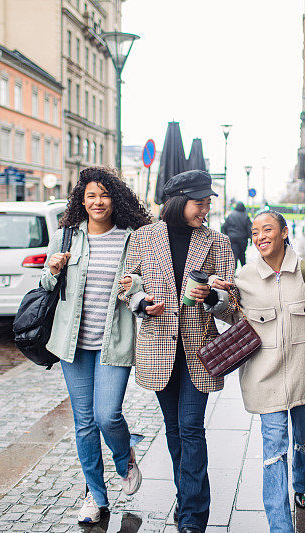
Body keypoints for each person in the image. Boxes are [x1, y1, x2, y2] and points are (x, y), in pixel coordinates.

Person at [118, 169, 237, 533]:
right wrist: (140, 302)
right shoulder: (142, 238)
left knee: (190, 428)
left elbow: (233, 304)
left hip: (200, 349)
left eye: (207, 203)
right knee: (173, 429)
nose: (205, 210)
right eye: (199, 203)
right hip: (158, 348)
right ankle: (187, 499)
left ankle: (192, 518)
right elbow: (125, 287)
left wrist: (214, 296)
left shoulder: (217, 242)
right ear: (178, 202)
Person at [212, 210, 305, 533]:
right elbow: (235, 319)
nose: (259, 237)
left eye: (267, 230)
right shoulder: (243, 278)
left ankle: (303, 484)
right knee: (273, 451)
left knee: (304, 439)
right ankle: (280, 527)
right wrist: (216, 299)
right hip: (264, 380)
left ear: (285, 232)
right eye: (255, 232)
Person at [40, 167, 151, 524]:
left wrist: (135, 288)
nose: (97, 201)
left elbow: (140, 287)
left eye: (104, 195)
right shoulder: (66, 237)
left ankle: (125, 457)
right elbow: (44, 285)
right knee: (85, 423)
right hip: (73, 344)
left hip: (113, 341)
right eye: (90, 196)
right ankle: (95, 498)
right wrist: (54, 270)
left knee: (107, 415)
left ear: (114, 199)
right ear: (81, 200)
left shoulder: (131, 238)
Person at [221, 201, 252, 267]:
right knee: (242, 254)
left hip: (232, 238)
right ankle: (244, 269)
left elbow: (224, 227)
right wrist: (251, 238)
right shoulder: (246, 216)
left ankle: (232, 272)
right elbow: (249, 228)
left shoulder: (230, 215)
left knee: (234, 255)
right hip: (242, 239)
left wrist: (226, 235)